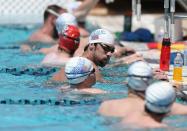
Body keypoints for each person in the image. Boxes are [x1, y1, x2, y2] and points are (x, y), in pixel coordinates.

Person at [98, 61, 187, 117]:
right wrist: (174, 90)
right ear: (150, 83)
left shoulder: (106, 106)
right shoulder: (156, 108)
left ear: (127, 81)